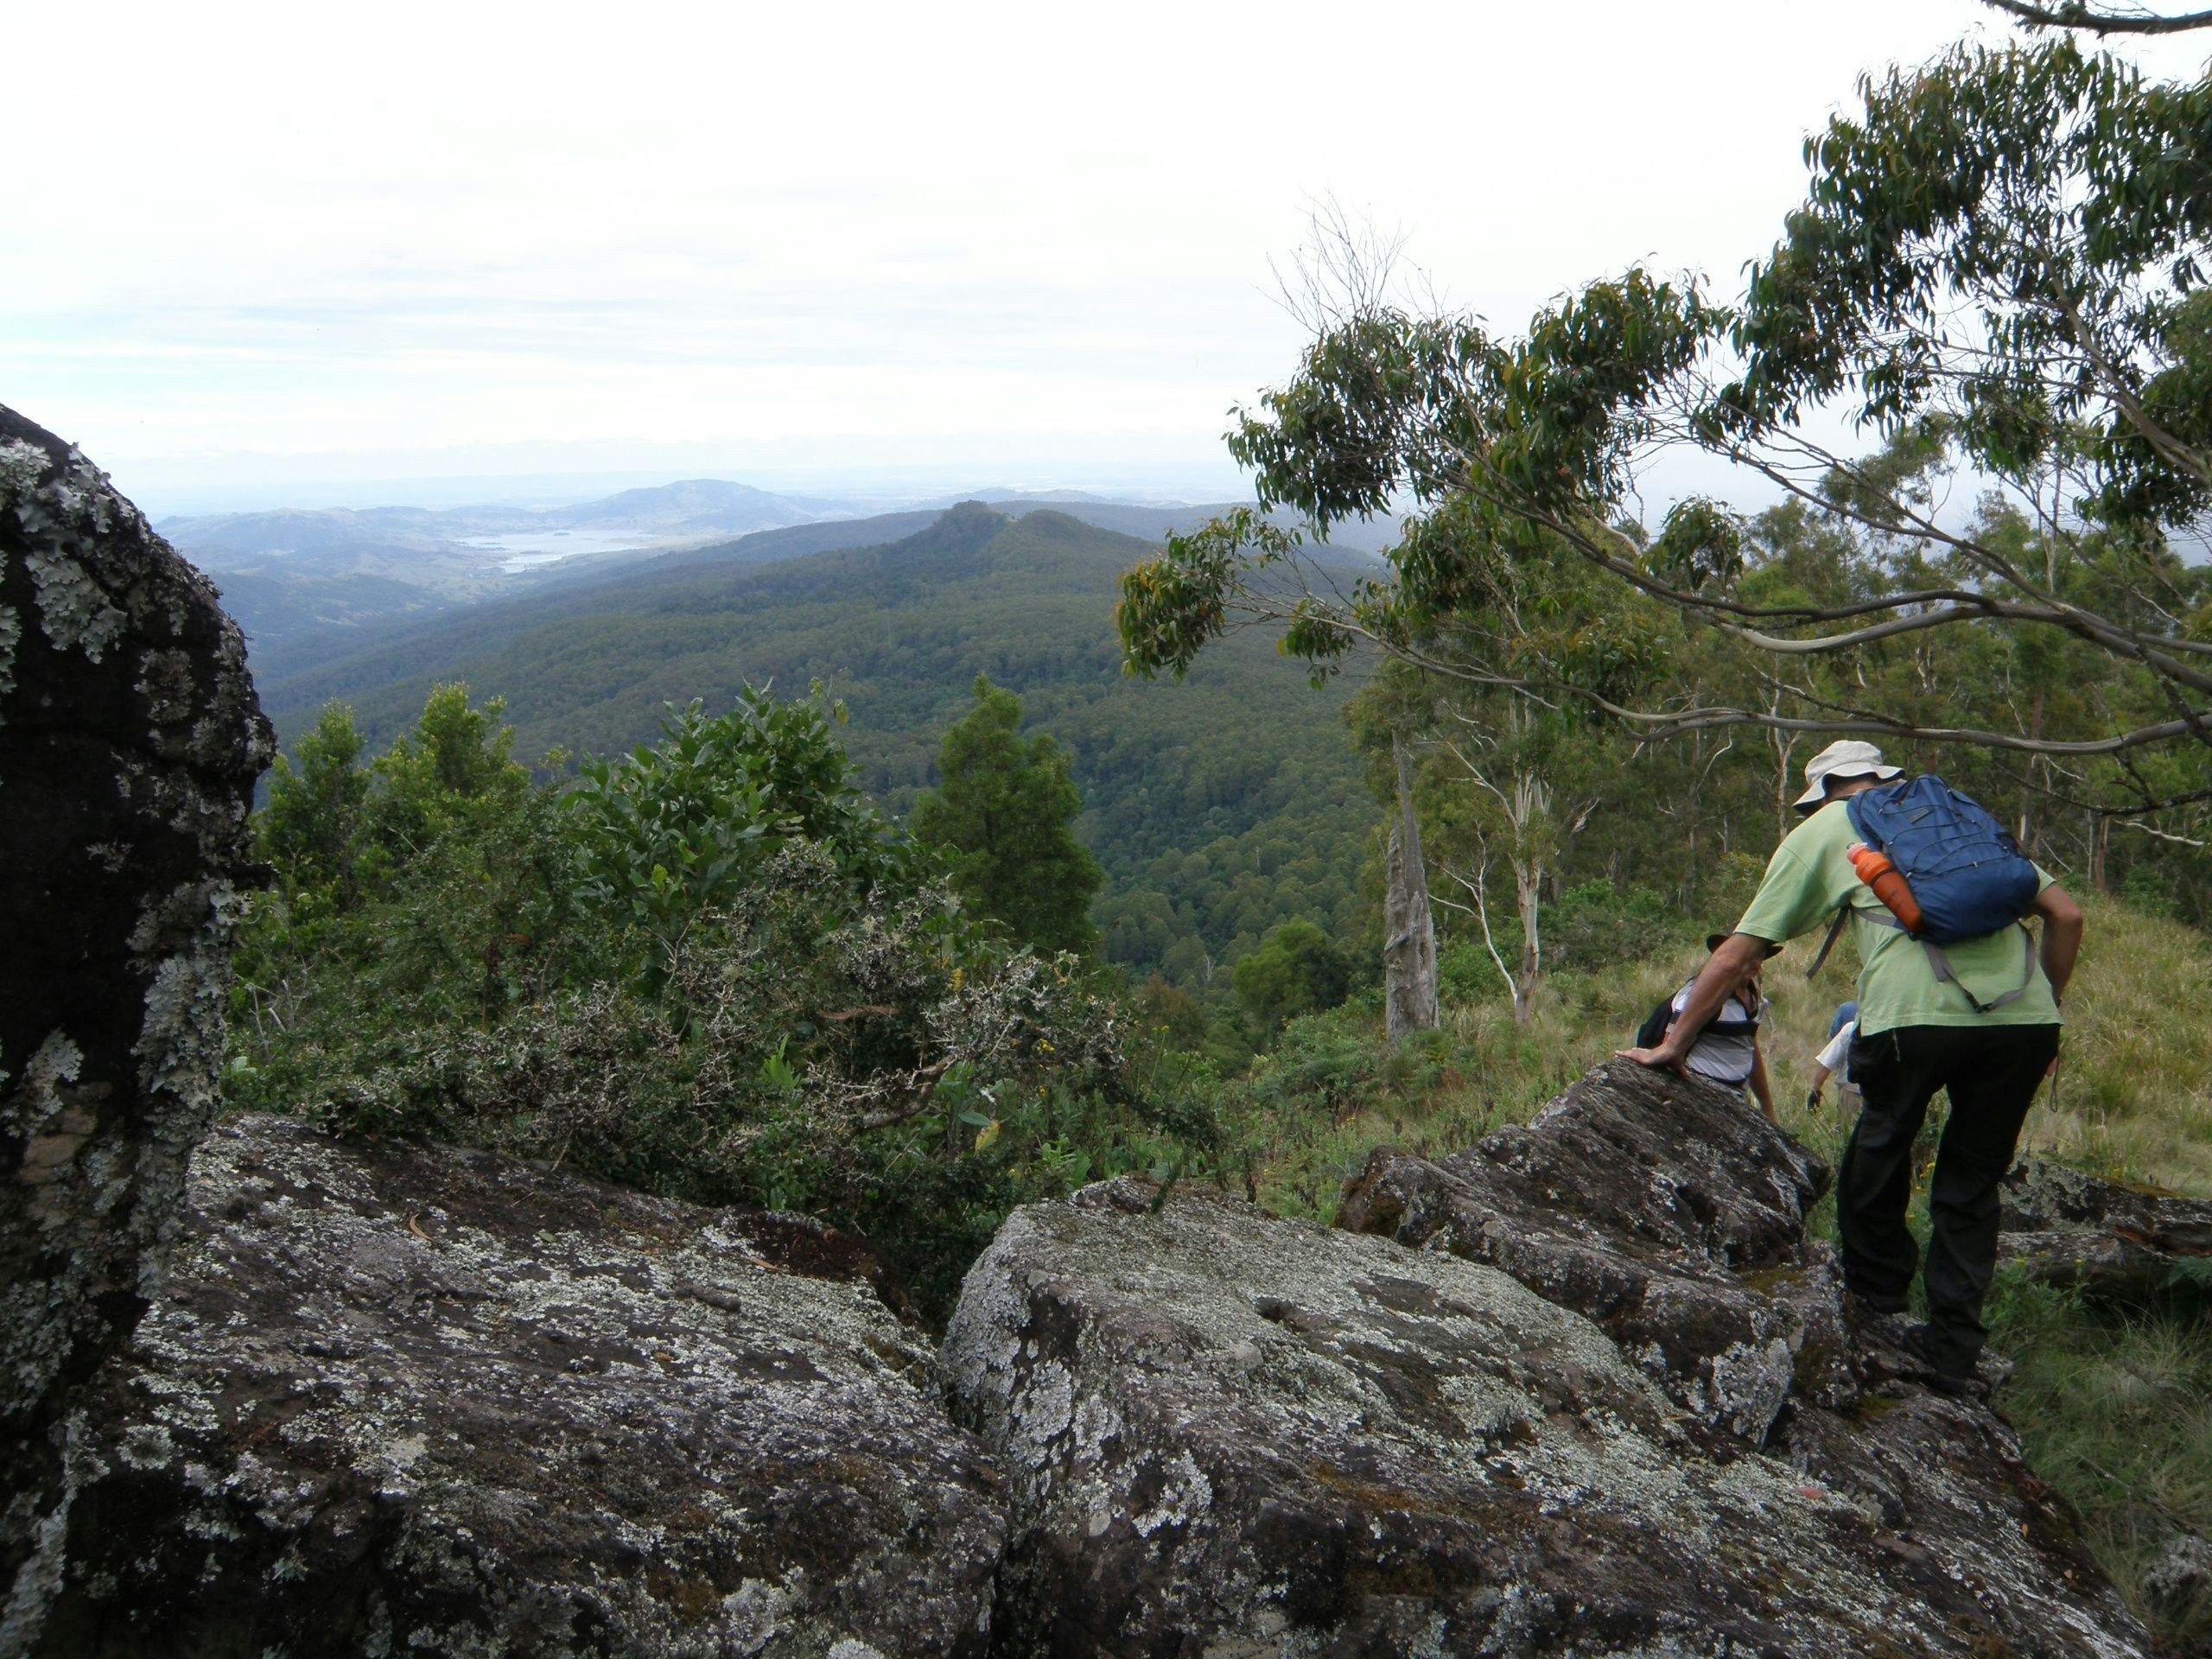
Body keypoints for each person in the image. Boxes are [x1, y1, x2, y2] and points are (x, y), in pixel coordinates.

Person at [1619, 739, 2083, 1392]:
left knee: (1881, 1143)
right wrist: (2049, 1009)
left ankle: (1875, 1303)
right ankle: (1953, 1352)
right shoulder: (1953, 813)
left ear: (1823, 791)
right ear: (1879, 777)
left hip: (1910, 1018)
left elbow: (1735, 954)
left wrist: (1673, 1042)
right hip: (2024, 1021)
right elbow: (2066, 914)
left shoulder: (1826, 830)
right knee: (1972, 1184)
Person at [1648, 931, 1779, 1119]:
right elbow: (1668, 1044)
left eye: (1760, 956)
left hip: (1735, 1101)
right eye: (1749, 956)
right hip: (1700, 1100)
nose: (1757, 964)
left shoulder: (1753, 997)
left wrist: (1767, 1108)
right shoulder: (1698, 995)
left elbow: (1749, 1046)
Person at [1808, 1001, 1860, 1123]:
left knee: (1845, 1135)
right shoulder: (1893, 1030)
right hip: (1881, 1098)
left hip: (1851, 1092)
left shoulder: (1850, 1027)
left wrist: (1815, 1090)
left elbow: (1827, 1063)